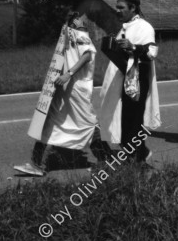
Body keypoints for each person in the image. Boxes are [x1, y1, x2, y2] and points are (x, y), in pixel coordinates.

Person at [14, 12, 110, 176]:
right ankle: (36, 164)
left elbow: (87, 55)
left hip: (76, 89)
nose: (84, 20)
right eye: (81, 18)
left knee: (88, 123)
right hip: (66, 89)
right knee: (49, 122)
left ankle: (106, 161)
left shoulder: (80, 35)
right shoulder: (70, 34)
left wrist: (69, 74)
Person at [99, 0, 161, 163]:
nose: (117, 11)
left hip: (136, 82)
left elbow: (151, 53)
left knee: (132, 122)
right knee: (122, 120)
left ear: (133, 8)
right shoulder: (126, 26)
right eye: (116, 7)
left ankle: (135, 159)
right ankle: (137, 154)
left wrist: (133, 47)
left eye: (121, 7)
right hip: (123, 79)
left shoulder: (145, 27)